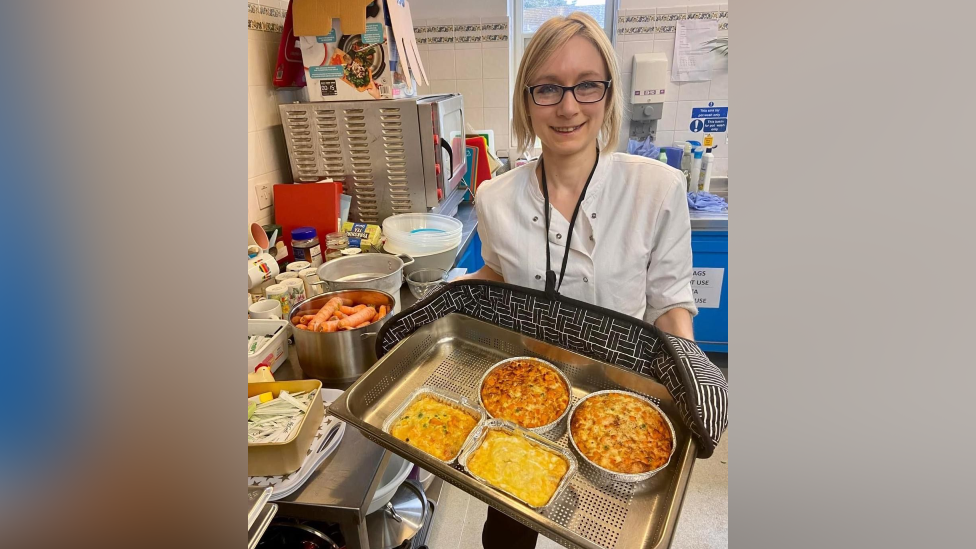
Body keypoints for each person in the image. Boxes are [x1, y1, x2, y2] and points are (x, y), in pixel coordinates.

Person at [461, 12, 698, 549]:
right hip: (525, 400)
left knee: (608, 534)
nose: (568, 106)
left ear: (609, 94)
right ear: (526, 100)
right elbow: (497, 274)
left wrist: (686, 376)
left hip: (621, 406)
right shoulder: (494, 198)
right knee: (506, 535)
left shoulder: (657, 190)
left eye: (587, 85)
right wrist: (447, 298)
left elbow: (669, 305)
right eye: (547, 88)